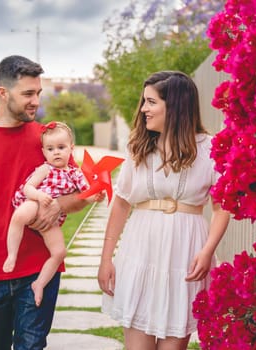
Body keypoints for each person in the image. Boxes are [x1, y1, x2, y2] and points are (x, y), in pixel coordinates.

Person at [0, 55, 93, 350]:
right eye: (28, 94)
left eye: (38, 93)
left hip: (38, 267)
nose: (35, 101)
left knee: (32, 346)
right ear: (3, 93)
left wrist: (58, 206)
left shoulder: (49, 139)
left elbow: (78, 195)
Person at [97, 71, 230, 350]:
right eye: (144, 102)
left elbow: (222, 208)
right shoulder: (139, 147)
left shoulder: (210, 149)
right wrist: (106, 259)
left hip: (185, 254)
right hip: (140, 251)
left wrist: (207, 251)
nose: (144, 109)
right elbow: (121, 203)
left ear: (176, 105)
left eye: (151, 102)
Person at [3, 121, 101, 306]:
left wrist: (95, 197)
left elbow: (84, 194)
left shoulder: (76, 174)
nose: (56, 152)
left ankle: (39, 283)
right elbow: (28, 188)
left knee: (59, 252)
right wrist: (39, 196)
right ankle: (12, 254)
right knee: (19, 216)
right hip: (35, 202)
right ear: (44, 152)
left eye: (61, 147)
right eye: (50, 148)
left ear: (71, 149)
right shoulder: (45, 169)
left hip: (52, 219)